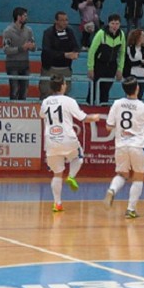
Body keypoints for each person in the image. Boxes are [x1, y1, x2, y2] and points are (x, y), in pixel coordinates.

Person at [103, 76, 144, 218]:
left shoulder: (117, 104)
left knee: (122, 174)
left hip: (121, 145)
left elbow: (108, 127)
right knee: (138, 178)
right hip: (138, 146)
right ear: (137, 88)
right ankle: (131, 209)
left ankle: (112, 190)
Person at [41, 74, 100, 213]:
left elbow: (42, 115)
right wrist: (96, 117)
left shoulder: (45, 101)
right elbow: (83, 118)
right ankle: (72, 176)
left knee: (57, 174)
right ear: (62, 86)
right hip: (67, 137)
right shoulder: (69, 101)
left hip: (51, 140)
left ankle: (57, 203)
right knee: (78, 157)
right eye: (65, 83)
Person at [39, 11, 79, 100]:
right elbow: (47, 51)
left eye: (66, 20)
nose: (65, 22)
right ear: (56, 21)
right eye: (62, 20)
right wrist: (64, 55)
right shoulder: (48, 33)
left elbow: (76, 46)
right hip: (50, 68)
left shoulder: (70, 32)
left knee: (65, 93)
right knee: (46, 92)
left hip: (65, 68)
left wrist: (75, 53)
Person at [87, 13, 125, 105]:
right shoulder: (101, 33)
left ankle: (103, 108)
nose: (115, 26)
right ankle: (90, 107)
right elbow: (92, 51)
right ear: (108, 24)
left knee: (106, 90)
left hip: (112, 65)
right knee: (94, 89)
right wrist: (90, 68)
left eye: (117, 23)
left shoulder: (122, 35)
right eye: (112, 23)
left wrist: (120, 69)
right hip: (99, 64)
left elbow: (122, 53)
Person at [3, 7, 36, 101]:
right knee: (14, 90)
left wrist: (32, 46)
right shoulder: (8, 31)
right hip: (12, 64)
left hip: (25, 64)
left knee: (24, 90)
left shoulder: (29, 31)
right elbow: (6, 49)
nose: (27, 18)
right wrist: (22, 48)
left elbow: (34, 46)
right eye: (25, 16)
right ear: (19, 17)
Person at [123, 28, 144, 100]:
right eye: (143, 36)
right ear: (137, 37)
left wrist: (141, 63)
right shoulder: (129, 48)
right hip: (131, 75)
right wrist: (140, 62)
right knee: (130, 96)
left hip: (142, 75)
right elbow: (130, 61)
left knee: (139, 96)